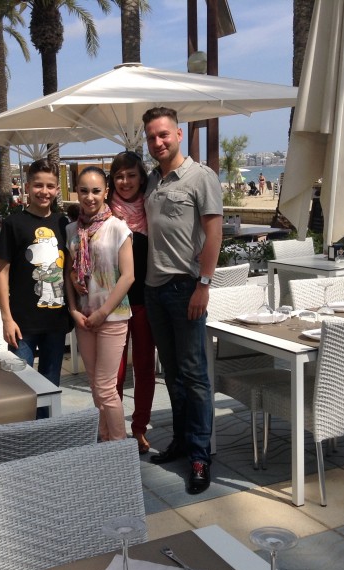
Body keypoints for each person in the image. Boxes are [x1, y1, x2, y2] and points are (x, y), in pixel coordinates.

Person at [142, 106, 222, 494]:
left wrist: (203, 285)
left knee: (194, 375)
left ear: (177, 134)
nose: (157, 142)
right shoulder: (152, 181)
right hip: (154, 290)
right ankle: (181, 440)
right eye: (151, 137)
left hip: (185, 288)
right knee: (172, 373)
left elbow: (214, 234)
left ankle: (200, 456)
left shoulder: (200, 176)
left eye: (163, 135)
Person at [65, 166, 134, 441]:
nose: (89, 197)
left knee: (106, 387)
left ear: (106, 192)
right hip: (84, 318)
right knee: (95, 386)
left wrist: (103, 313)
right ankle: (105, 440)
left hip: (112, 316)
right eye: (84, 191)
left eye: (96, 191)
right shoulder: (71, 230)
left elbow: (128, 276)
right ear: (77, 192)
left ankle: (119, 447)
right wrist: (73, 310)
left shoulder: (117, 227)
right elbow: (68, 274)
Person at [0, 159, 70, 394]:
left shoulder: (63, 223)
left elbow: (68, 269)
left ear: (57, 190)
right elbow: (2, 273)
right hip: (22, 324)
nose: (44, 191)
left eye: (50, 186)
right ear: (27, 187)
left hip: (56, 321)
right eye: (38, 185)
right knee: (21, 388)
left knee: (50, 387)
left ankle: (46, 421)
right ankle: (27, 422)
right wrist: (6, 319)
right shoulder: (13, 223)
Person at [107, 151, 156, 454]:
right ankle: (114, 429)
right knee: (115, 371)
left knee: (145, 368)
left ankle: (139, 428)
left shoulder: (152, 210)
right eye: (119, 176)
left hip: (145, 301)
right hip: (114, 303)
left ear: (142, 177)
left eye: (131, 175)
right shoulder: (104, 212)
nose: (125, 182)